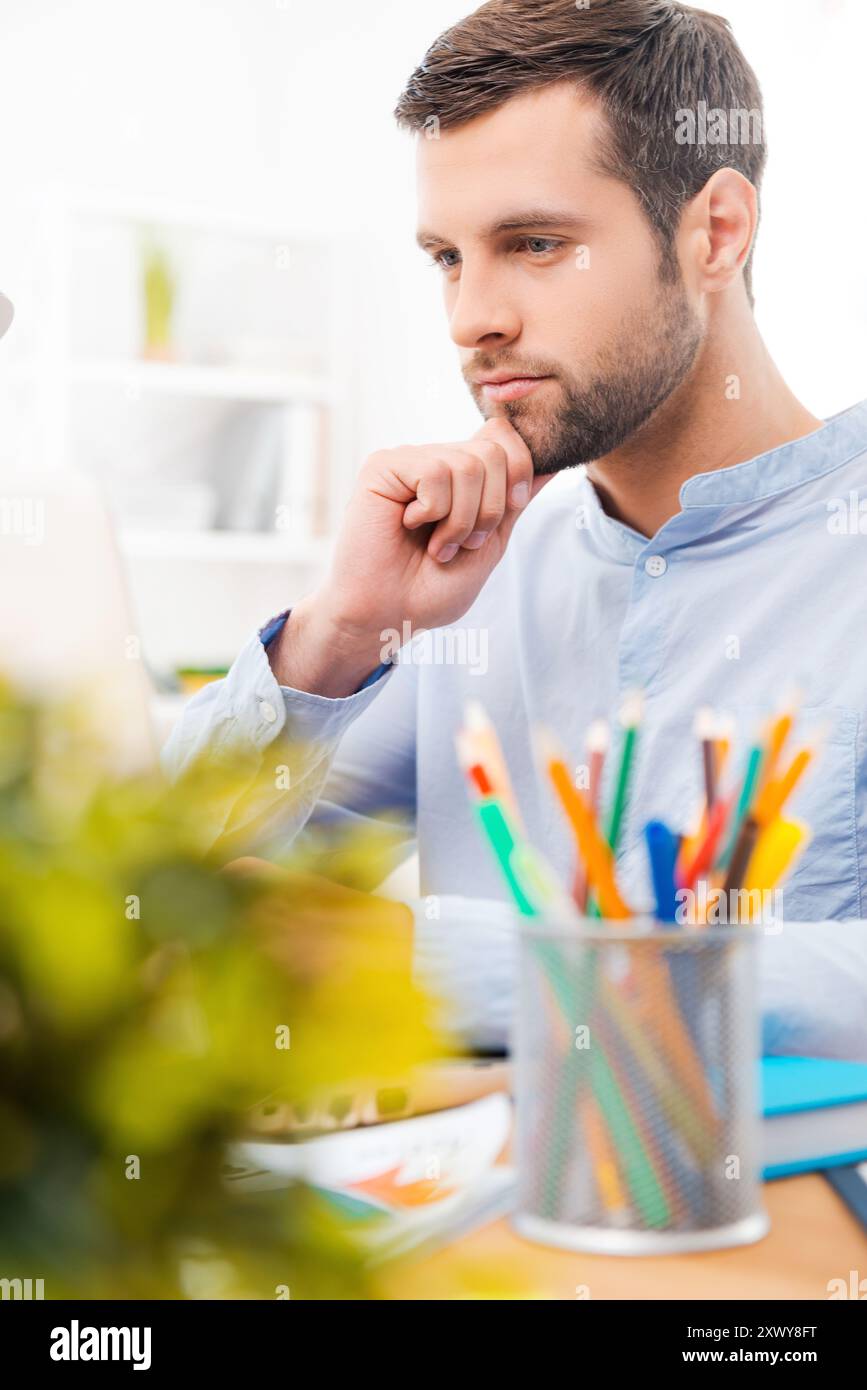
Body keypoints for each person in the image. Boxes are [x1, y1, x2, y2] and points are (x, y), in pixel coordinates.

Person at [165, 0, 867, 1057]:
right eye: (448, 256)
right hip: (467, 1211)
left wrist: (433, 965)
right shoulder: (471, 581)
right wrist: (338, 637)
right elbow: (157, 886)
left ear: (715, 232)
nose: (469, 320)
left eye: (536, 244)